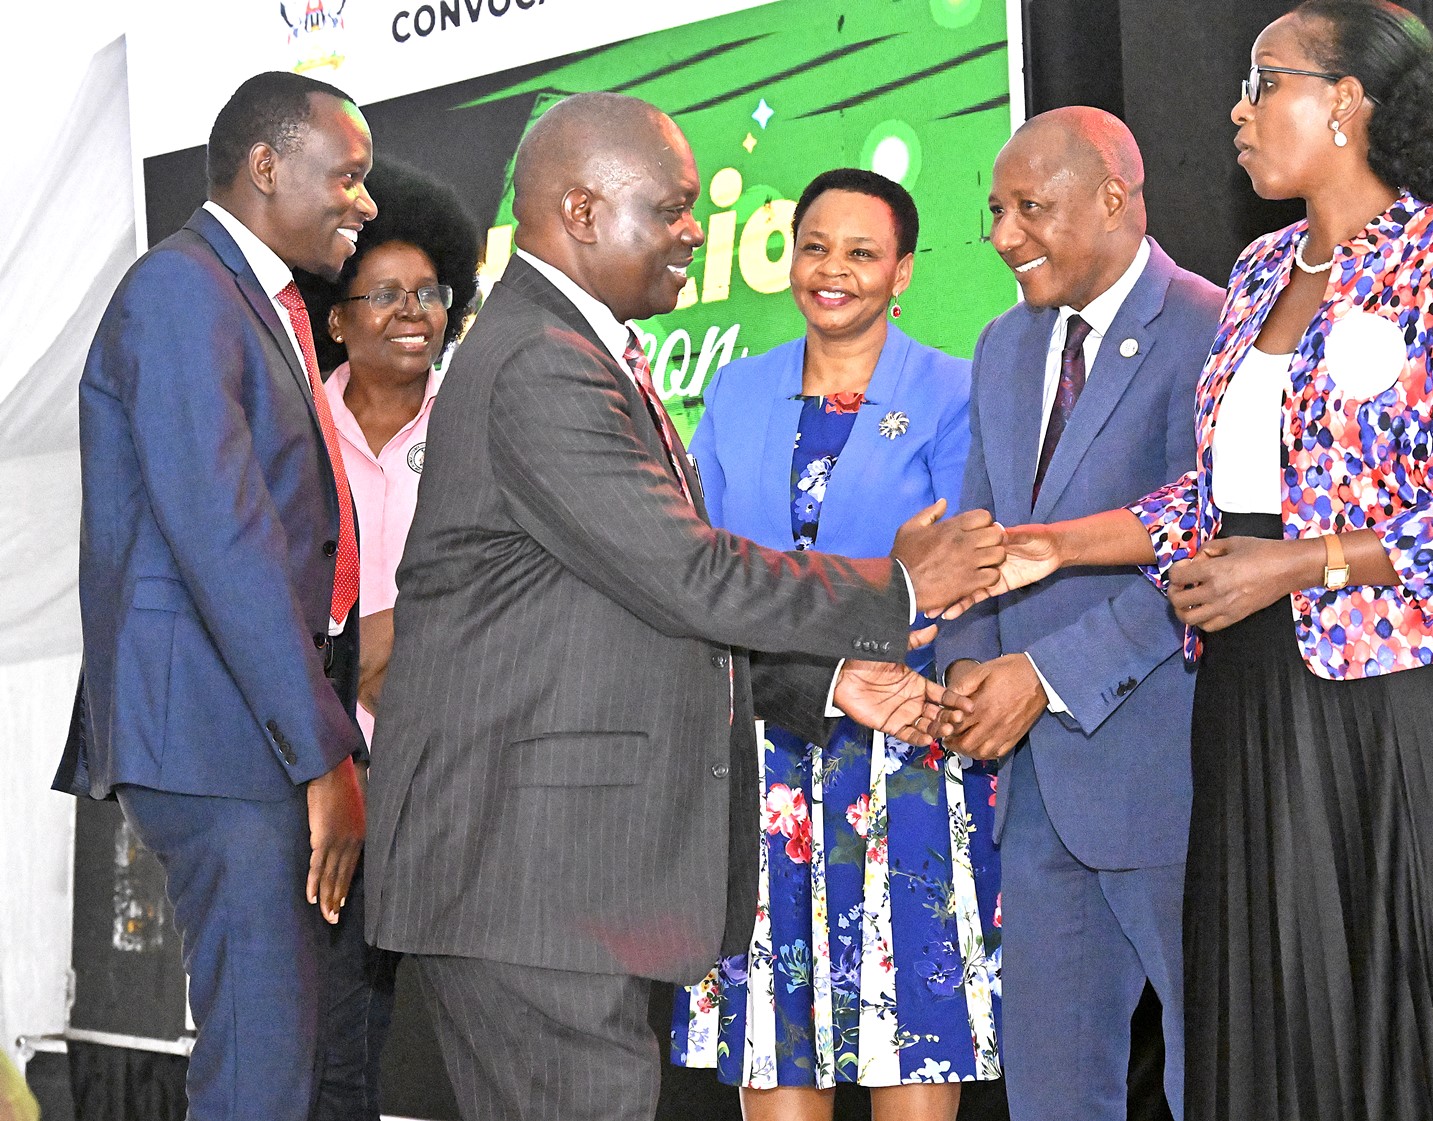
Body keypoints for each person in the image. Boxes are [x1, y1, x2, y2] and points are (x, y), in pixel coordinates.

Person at [960, 3, 1433, 1118]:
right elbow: (1213, 499)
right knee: (1292, 1018)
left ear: (1344, 103)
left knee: (1421, 1012)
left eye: (1263, 82)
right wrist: (1053, 545)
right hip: (1268, 703)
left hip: (1426, 708)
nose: (1236, 108)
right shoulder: (1255, 272)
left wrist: (1299, 566)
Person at [361, 92, 1006, 1121]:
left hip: (557, 880)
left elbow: (651, 612)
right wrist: (904, 584)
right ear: (580, 212)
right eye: (670, 208)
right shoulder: (542, 361)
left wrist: (829, 683)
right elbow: (688, 575)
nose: (695, 232)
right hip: (532, 880)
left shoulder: (573, 350)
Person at [58, 72, 377, 1119]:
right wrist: (320, 748)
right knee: (258, 1064)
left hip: (242, 723)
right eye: (349, 175)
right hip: (220, 728)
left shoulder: (250, 297)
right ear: (267, 167)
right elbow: (224, 533)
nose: (363, 203)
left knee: (286, 1054)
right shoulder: (182, 289)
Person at [671, 168, 1002, 1120]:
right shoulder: (734, 392)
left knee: (910, 1036)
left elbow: (958, 574)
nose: (833, 270)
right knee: (779, 1049)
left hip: (907, 758)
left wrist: (883, 608)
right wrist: (872, 596)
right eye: (816, 246)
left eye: (862, 253)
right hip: (767, 753)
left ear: (902, 273)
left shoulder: (952, 390)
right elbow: (705, 574)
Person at [937, 109, 1222, 1121]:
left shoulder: (1214, 327)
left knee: (1215, 1073)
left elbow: (1204, 551)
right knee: (1053, 1089)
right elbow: (978, 535)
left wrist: (1042, 675)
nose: (1004, 236)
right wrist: (968, 675)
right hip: (1032, 787)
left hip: (1169, 776)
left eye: (1029, 209)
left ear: (1114, 198)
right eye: (996, 211)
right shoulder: (1001, 346)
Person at [299, 158, 483, 746]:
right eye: (384, 294)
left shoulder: (480, 425)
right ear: (333, 318)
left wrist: (386, 640)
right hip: (323, 756)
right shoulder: (294, 433)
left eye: (428, 292)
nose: (412, 309)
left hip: (460, 742)